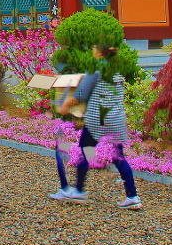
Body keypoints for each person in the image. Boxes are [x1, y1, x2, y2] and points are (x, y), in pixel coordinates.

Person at [49, 44, 142, 210]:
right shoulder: (116, 70)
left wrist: (65, 106)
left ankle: (78, 190)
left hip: (97, 119)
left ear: (99, 52)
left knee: (85, 151)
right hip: (116, 119)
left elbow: (80, 95)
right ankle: (132, 196)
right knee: (118, 156)